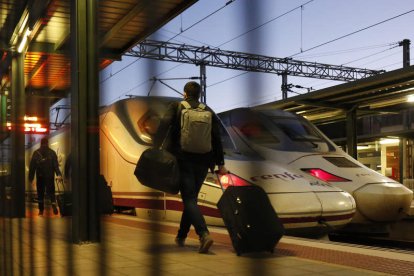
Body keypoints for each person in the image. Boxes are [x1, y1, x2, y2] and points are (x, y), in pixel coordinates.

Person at [155, 81, 228, 253]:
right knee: (192, 199)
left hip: (183, 159)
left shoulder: (177, 106)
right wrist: (221, 163)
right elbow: (217, 138)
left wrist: (154, 148)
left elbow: (163, 127)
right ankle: (181, 236)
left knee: (188, 199)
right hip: (204, 161)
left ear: (184, 94)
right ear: (199, 94)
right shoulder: (207, 110)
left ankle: (204, 234)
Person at [29, 137, 62, 216]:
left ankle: (41, 211)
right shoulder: (52, 152)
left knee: (40, 193)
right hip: (50, 176)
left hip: (40, 177)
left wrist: (31, 178)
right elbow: (56, 166)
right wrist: (59, 174)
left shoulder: (36, 153)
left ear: (41, 143)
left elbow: (32, 166)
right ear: (47, 143)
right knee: (51, 192)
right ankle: (53, 204)